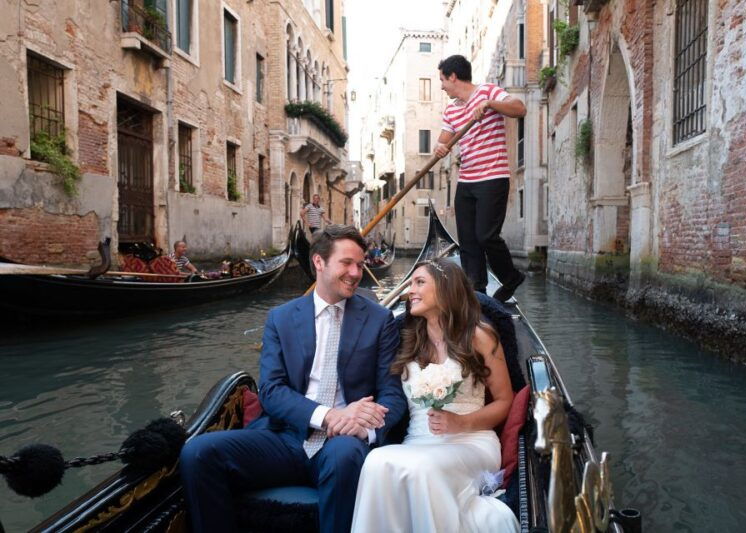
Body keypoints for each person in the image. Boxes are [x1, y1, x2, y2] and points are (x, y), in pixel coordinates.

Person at [180, 225, 407, 533]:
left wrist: (363, 427)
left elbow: (392, 395)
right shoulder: (281, 318)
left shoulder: (379, 320)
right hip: (285, 436)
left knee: (344, 456)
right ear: (318, 262)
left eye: (360, 263)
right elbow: (271, 391)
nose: (356, 272)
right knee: (198, 453)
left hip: (342, 441)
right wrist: (329, 416)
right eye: (346, 263)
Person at [350, 259, 519, 533]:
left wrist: (461, 423)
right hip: (417, 440)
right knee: (376, 462)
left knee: (423, 469)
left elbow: (505, 401)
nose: (409, 291)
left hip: (471, 440)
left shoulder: (479, 336)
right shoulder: (406, 338)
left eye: (419, 282)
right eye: (410, 284)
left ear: (444, 288)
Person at [434, 54, 527, 303]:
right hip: (466, 181)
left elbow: (519, 109)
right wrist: (440, 148)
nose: (441, 85)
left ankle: (510, 277)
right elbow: (444, 140)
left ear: (453, 77)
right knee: (468, 241)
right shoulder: (451, 110)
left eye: (443, 79)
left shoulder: (488, 91)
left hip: (493, 177)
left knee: (486, 235)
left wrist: (490, 104)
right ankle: (477, 292)